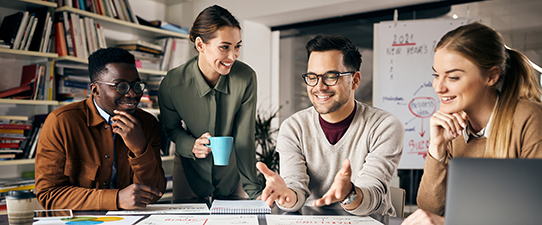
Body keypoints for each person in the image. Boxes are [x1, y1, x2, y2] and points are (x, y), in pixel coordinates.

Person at [402, 22, 542, 225]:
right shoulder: (453, 127)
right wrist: (437, 148)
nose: (438, 87)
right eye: (436, 75)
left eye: (453, 77)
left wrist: (447, 223)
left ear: (491, 76)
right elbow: (429, 209)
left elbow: (533, 214)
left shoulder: (528, 117)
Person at [256, 34, 404, 218]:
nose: (319, 86)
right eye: (312, 76)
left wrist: (349, 194)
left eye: (331, 76)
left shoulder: (384, 126)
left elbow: (372, 196)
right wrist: (288, 196)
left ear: (355, 80)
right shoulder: (293, 127)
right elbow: (296, 190)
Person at [35, 47, 166, 211]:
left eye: (136, 85)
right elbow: (49, 195)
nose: (133, 94)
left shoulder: (147, 123)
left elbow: (155, 191)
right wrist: (116, 199)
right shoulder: (61, 122)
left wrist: (140, 150)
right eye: (121, 86)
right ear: (95, 89)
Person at [158, 5, 261, 201]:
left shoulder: (246, 77)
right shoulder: (172, 83)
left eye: (237, 46)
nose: (233, 56)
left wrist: (254, 192)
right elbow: (170, 129)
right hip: (190, 168)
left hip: (232, 171)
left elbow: (244, 137)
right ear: (200, 45)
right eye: (225, 47)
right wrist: (190, 146)